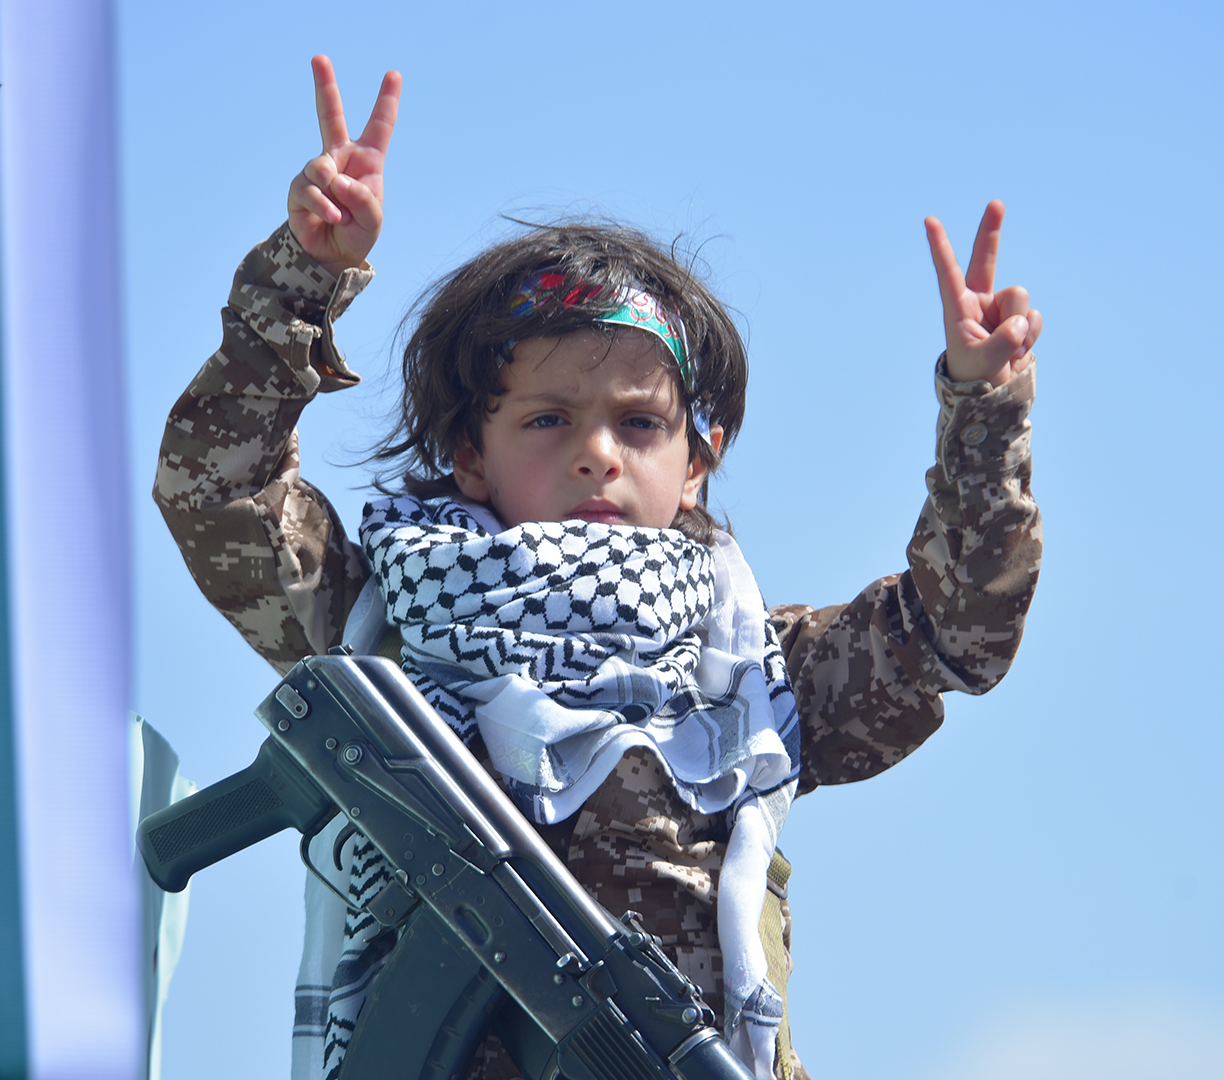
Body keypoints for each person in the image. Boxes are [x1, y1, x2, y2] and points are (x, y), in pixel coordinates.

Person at [153, 55, 1043, 1080]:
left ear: (698, 462)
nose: (596, 454)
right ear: (470, 455)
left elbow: (954, 631)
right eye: (548, 419)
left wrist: (983, 411)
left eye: (640, 423)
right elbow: (218, 493)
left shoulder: (755, 670)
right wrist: (303, 280)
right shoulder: (386, 628)